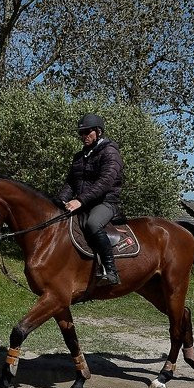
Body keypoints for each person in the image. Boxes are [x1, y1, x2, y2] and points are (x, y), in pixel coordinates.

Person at [57, 113, 125, 285]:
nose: (84, 136)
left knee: (93, 223)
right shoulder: (79, 156)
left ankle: (110, 271)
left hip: (106, 202)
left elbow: (105, 182)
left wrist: (79, 200)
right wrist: (60, 200)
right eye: (81, 133)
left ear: (98, 132)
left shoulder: (110, 153)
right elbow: (71, 182)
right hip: (85, 202)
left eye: (88, 132)